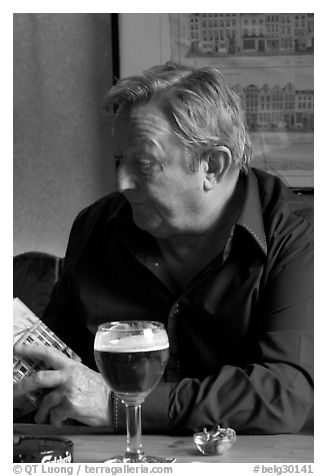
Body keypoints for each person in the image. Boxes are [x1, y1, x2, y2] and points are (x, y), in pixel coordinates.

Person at [14, 63, 313, 434]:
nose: (121, 182)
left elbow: (284, 393)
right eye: (119, 160)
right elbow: (57, 368)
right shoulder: (96, 226)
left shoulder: (300, 236)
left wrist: (119, 406)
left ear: (212, 167)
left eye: (143, 164)